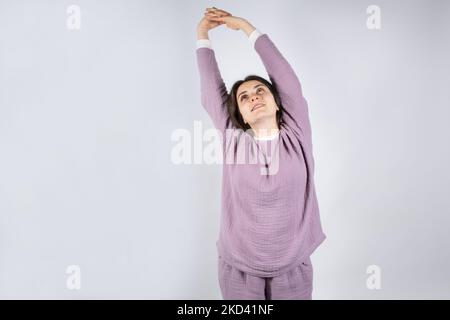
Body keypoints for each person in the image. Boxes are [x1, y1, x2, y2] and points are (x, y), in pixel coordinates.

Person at [196, 7, 326, 300]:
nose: (253, 96)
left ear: (278, 103)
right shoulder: (234, 140)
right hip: (240, 269)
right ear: (239, 115)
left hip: (292, 267)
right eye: (244, 97)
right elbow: (210, 89)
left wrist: (245, 27)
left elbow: (285, 77)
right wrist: (202, 34)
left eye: (260, 91)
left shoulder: (297, 134)